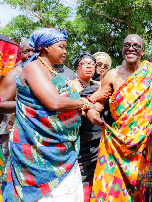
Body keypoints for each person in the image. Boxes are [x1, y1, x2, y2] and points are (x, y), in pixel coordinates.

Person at [1, 28, 101, 201]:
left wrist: (86, 109)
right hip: (36, 148)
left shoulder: (55, 73)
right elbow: (54, 103)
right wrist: (86, 102)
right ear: (46, 47)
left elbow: (68, 101)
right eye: (61, 47)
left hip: (60, 149)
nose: (65, 52)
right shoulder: (33, 68)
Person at [90, 34, 152, 201]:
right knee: (109, 190)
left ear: (142, 51)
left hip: (145, 143)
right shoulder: (112, 75)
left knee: (143, 192)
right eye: (127, 45)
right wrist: (90, 109)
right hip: (115, 143)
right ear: (122, 49)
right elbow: (101, 103)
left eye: (136, 46)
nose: (131, 48)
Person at [71, 51, 112, 201]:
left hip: (98, 137)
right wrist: (93, 98)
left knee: (97, 174)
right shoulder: (71, 86)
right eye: (85, 64)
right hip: (80, 137)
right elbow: (72, 108)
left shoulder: (99, 85)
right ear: (77, 67)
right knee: (81, 176)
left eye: (92, 64)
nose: (89, 67)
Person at [0, 39, 34, 168]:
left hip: (36, 130)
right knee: (13, 166)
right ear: (20, 53)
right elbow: (2, 104)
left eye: (33, 51)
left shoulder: (42, 71)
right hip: (15, 128)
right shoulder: (15, 74)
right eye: (27, 51)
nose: (30, 54)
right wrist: (29, 104)